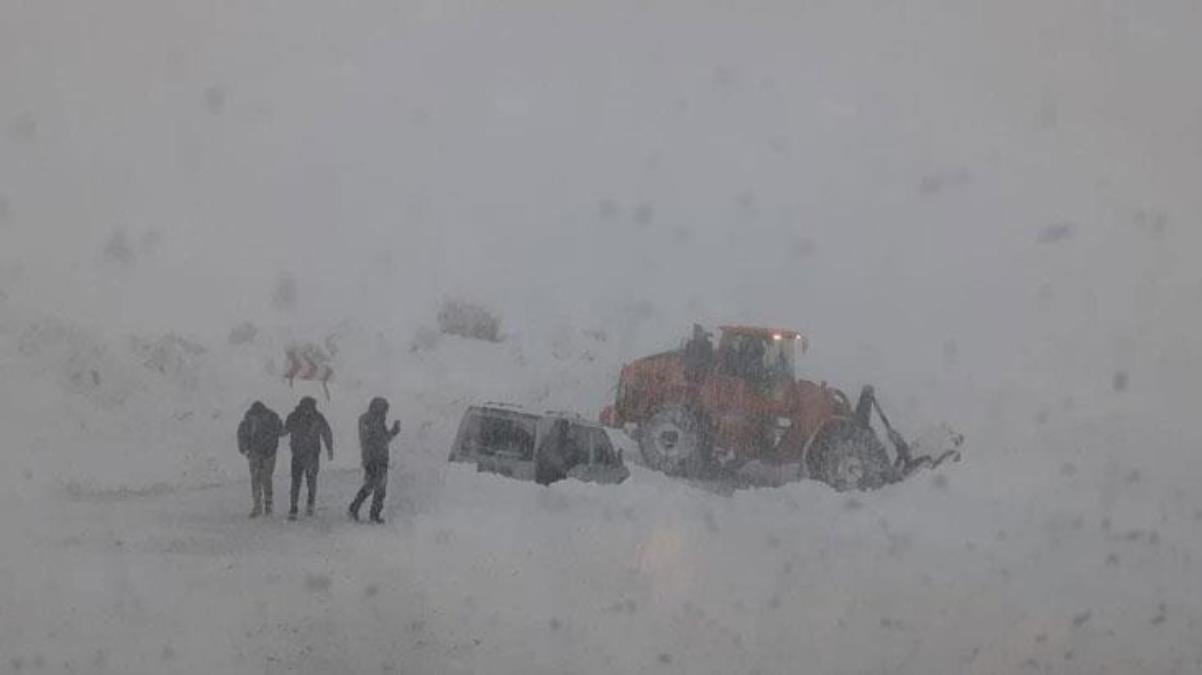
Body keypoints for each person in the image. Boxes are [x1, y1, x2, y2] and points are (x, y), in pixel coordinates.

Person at [349, 397, 401, 524]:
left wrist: (393, 432)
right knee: (376, 487)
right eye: (384, 409)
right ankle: (366, 512)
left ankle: (362, 510)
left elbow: (383, 439)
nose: (385, 412)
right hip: (374, 458)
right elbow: (376, 439)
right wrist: (391, 432)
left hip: (377, 458)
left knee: (374, 486)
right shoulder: (368, 420)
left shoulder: (374, 420)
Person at [282, 396, 333, 520]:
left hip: (299, 454)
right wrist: (329, 448)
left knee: (297, 482)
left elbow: (285, 431)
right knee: (310, 481)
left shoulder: (294, 416)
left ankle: (294, 508)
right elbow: (326, 432)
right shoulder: (317, 417)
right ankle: (308, 505)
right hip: (311, 454)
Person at [237, 401, 284, 518]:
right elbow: (281, 431)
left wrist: (244, 449)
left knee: (255, 479)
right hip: (270, 453)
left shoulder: (249, 418)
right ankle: (268, 504)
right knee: (267, 478)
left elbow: (242, 434)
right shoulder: (272, 417)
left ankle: (257, 506)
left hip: (254, 453)